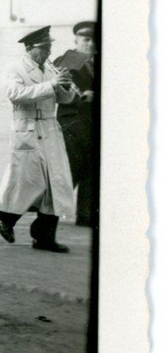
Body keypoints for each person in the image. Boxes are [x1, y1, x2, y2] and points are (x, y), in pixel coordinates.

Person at [0, 26, 77, 253]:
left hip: (49, 127)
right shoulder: (15, 68)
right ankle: (4, 214)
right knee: (27, 180)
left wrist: (65, 87)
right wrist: (51, 85)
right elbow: (15, 95)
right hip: (26, 126)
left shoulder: (50, 68)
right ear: (29, 48)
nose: (49, 52)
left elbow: (65, 99)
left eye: (50, 46)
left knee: (55, 183)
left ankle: (44, 237)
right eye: (44, 47)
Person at [55, 21, 98, 227]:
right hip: (71, 123)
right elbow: (59, 91)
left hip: (91, 124)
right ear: (76, 40)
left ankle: (86, 216)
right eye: (86, 39)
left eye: (94, 40)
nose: (90, 44)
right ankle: (49, 213)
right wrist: (80, 97)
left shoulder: (99, 62)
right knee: (70, 169)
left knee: (91, 170)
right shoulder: (66, 60)